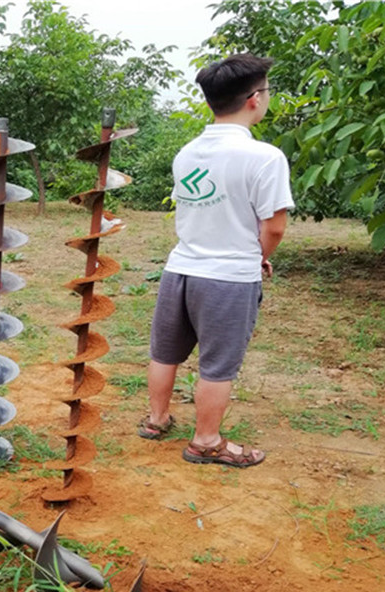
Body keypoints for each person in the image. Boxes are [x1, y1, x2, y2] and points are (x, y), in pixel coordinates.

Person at [138, 53, 294, 468]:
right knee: (218, 364)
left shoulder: (187, 153)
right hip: (228, 278)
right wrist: (257, 257)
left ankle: (156, 420)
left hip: (180, 270)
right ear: (255, 99)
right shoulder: (265, 157)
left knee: (165, 352)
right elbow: (275, 228)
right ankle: (206, 441)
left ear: (210, 102)